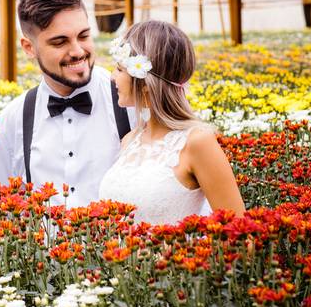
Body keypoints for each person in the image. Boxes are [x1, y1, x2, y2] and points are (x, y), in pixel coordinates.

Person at [0, 0, 135, 208]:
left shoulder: (132, 102)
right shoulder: (13, 119)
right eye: (60, 42)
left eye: (84, 36)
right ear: (29, 48)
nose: (77, 52)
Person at [98, 20, 245, 225]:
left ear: (145, 83)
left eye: (119, 69)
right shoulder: (130, 140)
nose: (112, 77)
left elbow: (240, 232)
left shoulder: (196, 142)